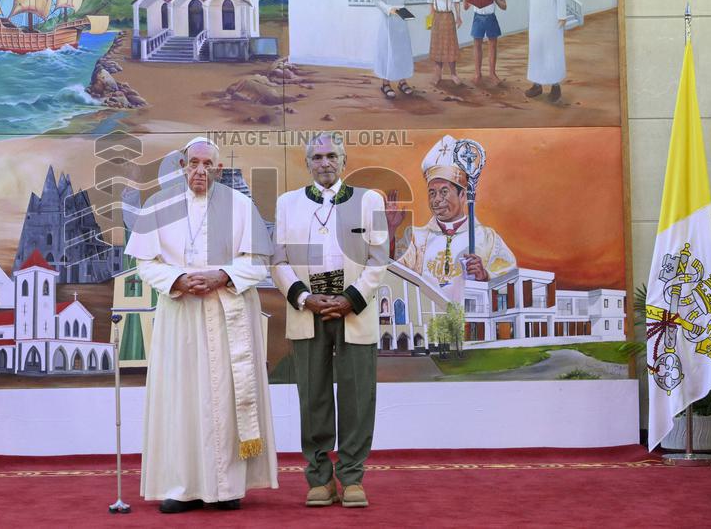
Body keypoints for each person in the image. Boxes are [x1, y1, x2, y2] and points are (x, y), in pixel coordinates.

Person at [125, 137, 278, 513]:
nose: (200, 170)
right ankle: (183, 488)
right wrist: (178, 279)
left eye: (208, 164)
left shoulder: (240, 205)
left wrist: (222, 275)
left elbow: (259, 261)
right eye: (193, 163)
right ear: (182, 166)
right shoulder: (157, 205)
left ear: (219, 170)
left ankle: (228, 487)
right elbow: (145, 264)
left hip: (229, 312)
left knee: (227, 397)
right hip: (181, 315)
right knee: (181, 398)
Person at [272, 132, 388, 508]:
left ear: (344, 160)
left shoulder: (369, 200)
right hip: (308, 309)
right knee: (313, 396)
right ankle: (320, 479)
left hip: (354, 309)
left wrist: (350, 299)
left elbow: (379, 258)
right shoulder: (287, 203)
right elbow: (278, 260)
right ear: (307, 163)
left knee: (357, 396)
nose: (325, 162)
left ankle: (352, 477)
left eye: (332, 155)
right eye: (318, 157)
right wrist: (304, 298)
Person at [389, 135, 516, 303]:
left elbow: (511, 282)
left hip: (470, 317)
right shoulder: (415, 238)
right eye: (432, 193)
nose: (436, 200)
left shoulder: (487, 238)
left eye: (444, 192)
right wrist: (390, 232)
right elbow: (396, 276)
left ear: (462, 195)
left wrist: (485, 276)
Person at [502, 0, 567, 102]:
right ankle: (537, 85)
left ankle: (555, 87)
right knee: (536, 51)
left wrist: (562, 15)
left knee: (552, 52)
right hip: (536, 21)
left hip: (552, 21)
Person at [373, 0, 430, 98]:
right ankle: (385, 83)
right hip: (389, 20)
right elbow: (377, 0)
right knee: (389, 50)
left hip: (401, 19)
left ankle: (402, 82)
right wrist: (388, 9)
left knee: (402, 50)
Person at [463, 0, 507, 86]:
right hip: (478, 18)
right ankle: (478, 74)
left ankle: (492, 74)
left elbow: (504, 6)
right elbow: (465, 8)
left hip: (490, 17)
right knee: (477, 45)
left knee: (492, 45)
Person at [427, 0, 463, 87]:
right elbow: (431, 3)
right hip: (437, 17)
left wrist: (458, 17)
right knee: (438, 46)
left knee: (450, 45)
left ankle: (453, 74)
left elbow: (457, 2)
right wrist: (430, 19)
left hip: (448, 17)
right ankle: (438, 75)